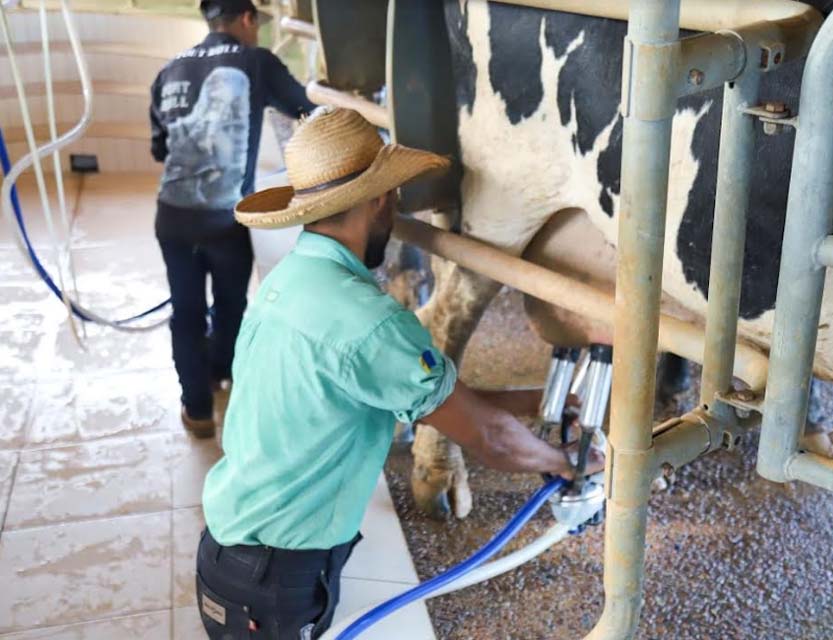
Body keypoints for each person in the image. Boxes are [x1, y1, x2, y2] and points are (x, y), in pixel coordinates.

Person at [195, 108, 605, 639]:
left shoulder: (290, 281)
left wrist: (536, 400)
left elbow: (441, 402)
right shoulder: (368, 321)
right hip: (274, 581)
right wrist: (568, 464)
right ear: (381, 199)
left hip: (231, 554)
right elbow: (489, 438)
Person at [149, 0, 316, 438]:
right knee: (230, 305)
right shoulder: (255, 61)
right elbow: (307, 108)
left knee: (186, 312)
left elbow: (161, 150)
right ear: (247, 19)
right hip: (225, 222)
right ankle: (221, 373)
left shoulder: (170, 70)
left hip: (173, 219)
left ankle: (197, 410)